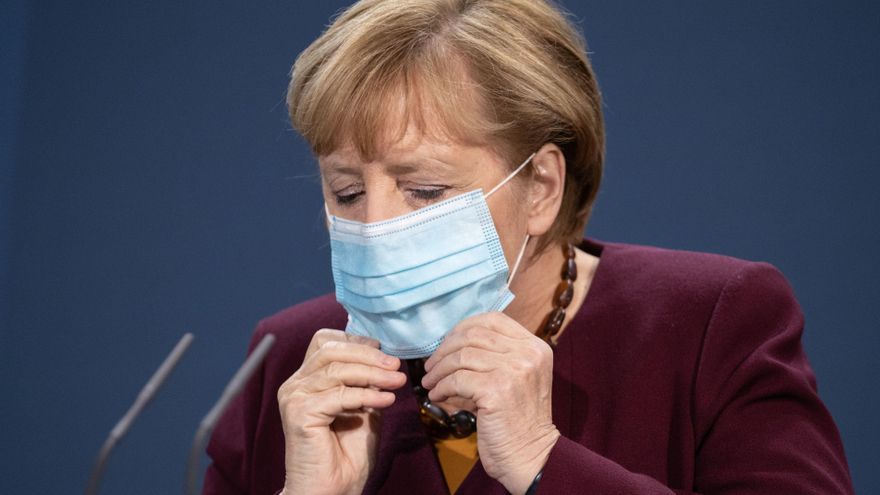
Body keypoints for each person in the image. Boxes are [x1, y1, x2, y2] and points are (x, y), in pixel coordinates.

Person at [203, 1, 853, 493]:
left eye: (425, 189)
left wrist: (546, 457)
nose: (375, 225)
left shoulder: (712, 324)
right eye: (347, 192)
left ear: (540, 185)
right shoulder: (288, 361)